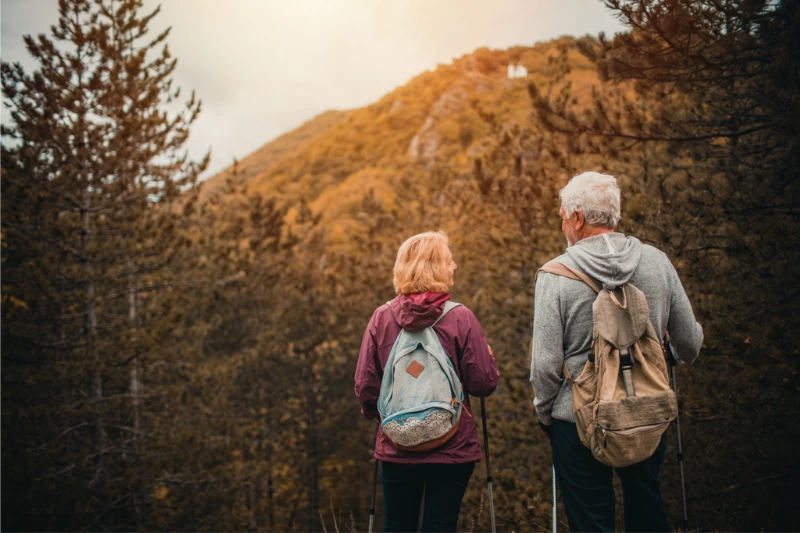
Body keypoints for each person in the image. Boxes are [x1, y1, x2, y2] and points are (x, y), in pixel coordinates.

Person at [530, 171, 703, 532]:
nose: (562, 222)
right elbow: (689, 342)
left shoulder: (555, 275)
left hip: (576, 419)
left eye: (563, 214)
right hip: (647, 409)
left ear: (577, 218)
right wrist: (667, 355)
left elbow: (544, 366)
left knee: (591, 521)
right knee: (647, 508)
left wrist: (546, 415)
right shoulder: (656, 261)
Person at [355, 231, 499, 533]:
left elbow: (365, 387)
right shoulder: (461, 318)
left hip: (398, 442)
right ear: (434, 267)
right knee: (441, 526)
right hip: (453, 443)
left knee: (397, 524)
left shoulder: (381, 318)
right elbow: (483, 384)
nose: (454, 265)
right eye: (449, 260)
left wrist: (378, 417)